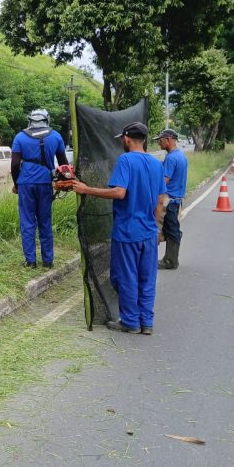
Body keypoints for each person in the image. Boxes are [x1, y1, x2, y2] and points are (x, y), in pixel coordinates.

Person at [72, 122, 166, 335]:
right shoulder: (156, 164)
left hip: (128, 232)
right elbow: (160, 199)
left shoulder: (125, 160)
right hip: (149, 232)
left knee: (126, 277)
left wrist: (86, 189)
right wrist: (155, 226)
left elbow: (119, 193)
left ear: (126, 138)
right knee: (147, 279)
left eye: (122, 139)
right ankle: (146, 323)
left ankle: (131, 322)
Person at [11, 108, 69, 268]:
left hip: (26, 184)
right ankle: (48, 261)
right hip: (45, 183)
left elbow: (15, 165)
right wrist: (64, 182)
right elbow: (63, 164)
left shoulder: (20, 137)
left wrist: (16, 184)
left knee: (27, 222)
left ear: (29, 120)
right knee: (45, 221)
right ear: (47, 120)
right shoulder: (56, 136)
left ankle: (30, 261)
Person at [154, 129, 188, 270]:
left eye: (160, 140)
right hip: (177, 199)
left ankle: (170, 261)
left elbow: (164, 181)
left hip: (169, 201)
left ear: (168, 139)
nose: (159, 142)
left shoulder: (171, 158)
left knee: (162, 229)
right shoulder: (180, 155)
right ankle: (170, 259)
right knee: (171, 229)